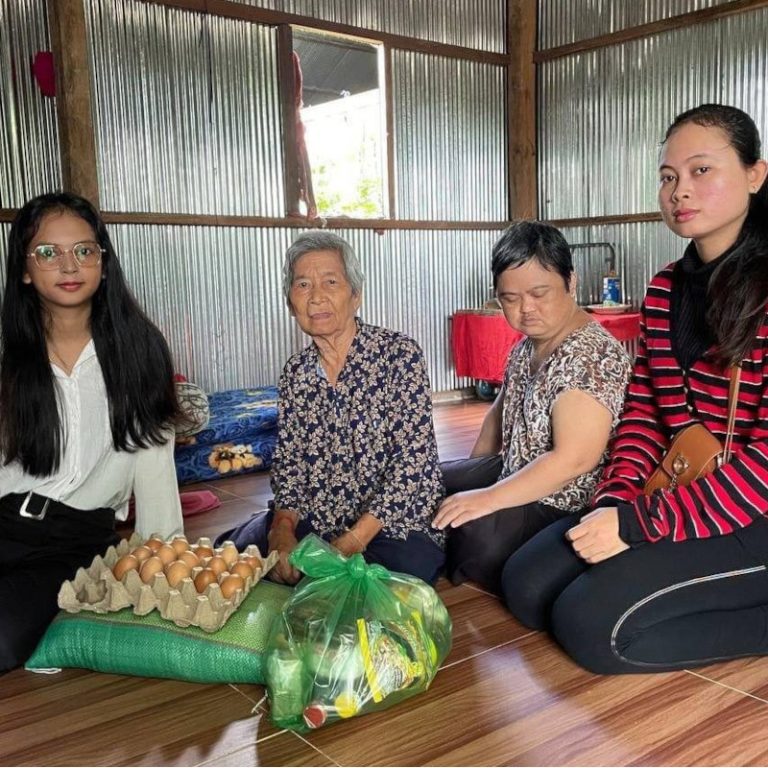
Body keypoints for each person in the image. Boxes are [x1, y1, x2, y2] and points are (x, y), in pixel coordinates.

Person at [503, 104, 768, 674]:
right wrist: (618, 500)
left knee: (591, 625)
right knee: (526, 585)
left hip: (757, 508)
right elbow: (646, 415)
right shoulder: (667, 288)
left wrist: (638, 525)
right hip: (688, 486)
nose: (679, 191)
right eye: (668, 177)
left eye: (701, 171)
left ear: (755, 174)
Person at [0, 192, 183, 673]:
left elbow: (154, 464)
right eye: (48, 252)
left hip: (72, 539)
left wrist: (166, 558)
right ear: (24, 269)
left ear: (103, 262)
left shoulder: (139, 351)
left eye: (84, 250)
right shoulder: (9, 358)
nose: (68, 264)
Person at [217, 231, 445, 584]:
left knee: (362, 589)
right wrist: (282, 530)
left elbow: (413, 463)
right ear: (290, 302)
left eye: (331, 282)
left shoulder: (398, 355)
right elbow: (290, 462)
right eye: (303, 285)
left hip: (390, 526)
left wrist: (352, 541)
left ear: (356, 295)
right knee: (230, 561)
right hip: (319, 519)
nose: (316, 297)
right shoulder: (297, 371)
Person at [433, 221, 632, 593]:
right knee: (431, 485)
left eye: (540, 293)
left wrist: (486, 499)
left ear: (571, 283)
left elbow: (574, 459)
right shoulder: (527, 346)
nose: (526, 309)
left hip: (559, 502)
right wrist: (475, 476)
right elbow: (498, 413)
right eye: (510, 298)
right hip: (515, 472)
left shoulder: (589, 355)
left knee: (472, 533)